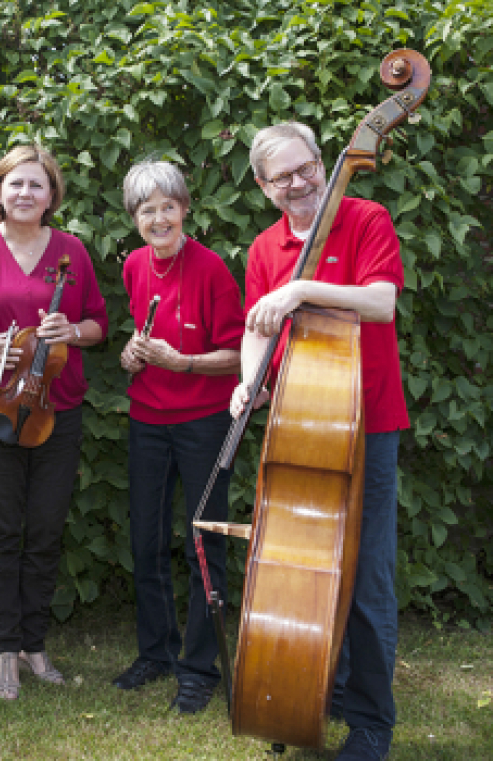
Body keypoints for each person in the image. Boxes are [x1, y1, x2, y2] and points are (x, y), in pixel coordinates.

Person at [230, 121, 408, 761]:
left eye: (309, 167)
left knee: (366, 579)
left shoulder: (365, 217)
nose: (301, 183)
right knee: (306, 570)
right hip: (300, 421)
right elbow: (257, 326)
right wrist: (249, 381)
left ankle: (370, 722)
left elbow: (381, 303)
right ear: (263, 186)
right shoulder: (263, 247)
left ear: (324, 163)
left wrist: (300, 290)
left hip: (369, 420)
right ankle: (314, 691)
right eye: (284, 176)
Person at [0, 144, 108, 700]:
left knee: (44, 529)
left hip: (57, 411)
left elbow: (99, 325)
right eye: (15, 184)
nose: (25, 194)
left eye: (36, 186)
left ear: (51, 197)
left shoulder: (72, 252)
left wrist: (72, 332)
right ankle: (3, 653)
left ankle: (34, 644)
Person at [113, 160, 244, 713]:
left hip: (204, 421)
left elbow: (239, 356)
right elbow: (144, 339)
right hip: (148, 419)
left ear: (186, 208)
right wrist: (132, 356)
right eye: (148, 210)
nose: (159, 218)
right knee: (144, 540)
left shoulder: (213, 268)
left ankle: (199, 667)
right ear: (135, 219)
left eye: (169, 206)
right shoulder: (135, 266)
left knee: (203, 545)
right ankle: (157, 652)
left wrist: (182, 362)